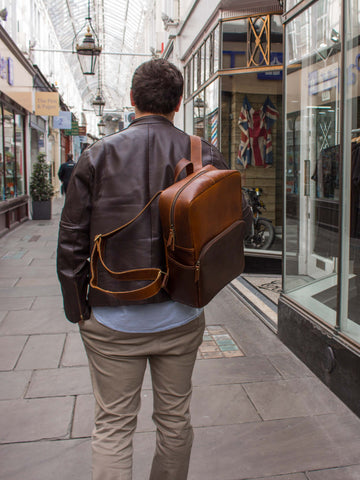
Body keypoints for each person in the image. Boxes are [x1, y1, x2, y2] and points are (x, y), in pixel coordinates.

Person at [57, 59, 252, 480]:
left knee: (112, 426)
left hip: (112, 318)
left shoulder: (96, 156)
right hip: (179, 314)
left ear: (132, 100)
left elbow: (71, 240)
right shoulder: (204, 153)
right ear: (178, 103)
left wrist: (79, 310)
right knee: (175, 421)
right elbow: (238, 221)